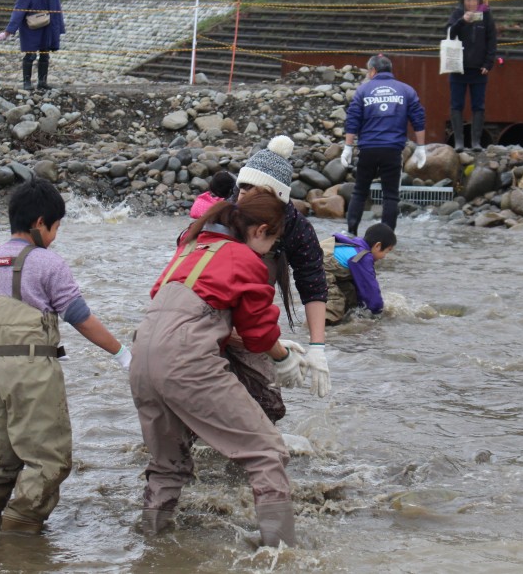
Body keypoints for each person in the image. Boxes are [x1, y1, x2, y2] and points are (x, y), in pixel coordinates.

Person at [129, 190, 306, 547]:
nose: (270, 250)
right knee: (267, 452)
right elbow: (257, 334)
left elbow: (174, 305)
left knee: (167, 465)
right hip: (185, 362)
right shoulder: (246, 260)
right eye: (272, 240)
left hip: (142, 356)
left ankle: (153, 548)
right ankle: (282, 554)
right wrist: (283, 356)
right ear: (261, 231)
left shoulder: (191, 248)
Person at [0, 179, 131, 533]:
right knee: (49, 460)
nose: (56, 236)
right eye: (56, 227)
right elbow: (79, 317)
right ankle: (21, 536)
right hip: (31, 370)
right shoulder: (48, 263)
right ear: (40, 223)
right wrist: (122, 354)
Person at [235, 136, 330, 400]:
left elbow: (313, 282)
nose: (243, 197)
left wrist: (317, 347)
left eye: (253, 191)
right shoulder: (224, 216)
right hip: (216, 325)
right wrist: (272, 347)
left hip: (250, 323)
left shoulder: (296, 228)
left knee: (267, 402)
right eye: (241, 188)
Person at [341, 54, 427, 233]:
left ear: (373, 71)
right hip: (393, 150)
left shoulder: (363, 91)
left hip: (368, 149)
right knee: (391, 196)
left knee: (359, 192)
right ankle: (386, 238)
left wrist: (348, 147)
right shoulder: (406, 90)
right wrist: (421, 147)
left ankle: (351, 233)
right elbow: (418, 120)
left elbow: (352, 120)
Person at [444, 0, 497, 151]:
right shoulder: (457, 14)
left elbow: (492, 40)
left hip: (479, 69)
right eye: (468, 0)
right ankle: (459, 141)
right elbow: (449, 34)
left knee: (479, 105)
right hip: (458, 67)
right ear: (463, 1)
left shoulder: (486, 15)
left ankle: (476, 142)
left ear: (479, 0)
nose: (471, 3)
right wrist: (462, 21)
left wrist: (488, 63)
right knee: (456, 104)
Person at [5, 0, 64, 91]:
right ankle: (27, 82)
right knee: (30, 54)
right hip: (30, 26)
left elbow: (57, 7)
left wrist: (59, 27)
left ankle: (42, 82)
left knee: (44, 54)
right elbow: (19, 7)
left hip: (47, 26)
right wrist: (11, 28)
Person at [320, 223, 395, 325]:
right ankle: (320, 330)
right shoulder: (364, 257)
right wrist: (377, 312)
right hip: (318, 269)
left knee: (350, 293)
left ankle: (341, 325)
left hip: (319, 263)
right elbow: (369, 287)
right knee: (335, 302)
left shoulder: (356, 244)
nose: (384, 256)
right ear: (378, 246)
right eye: (387, 251)